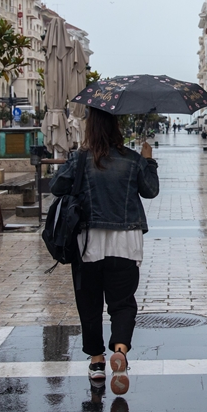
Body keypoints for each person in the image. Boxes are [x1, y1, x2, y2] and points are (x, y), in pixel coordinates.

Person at [50, 107, 159, 395]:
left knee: (89, 304)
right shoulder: (133, 159)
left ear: (90, 128)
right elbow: (150, 191)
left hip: (89, 243)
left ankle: (97, 363)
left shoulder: (80, 159)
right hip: (126, 242)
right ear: (116, 127)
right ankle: (120, 352)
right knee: (122, 303)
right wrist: (149, 161)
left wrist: (73, 164)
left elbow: (56, 185)